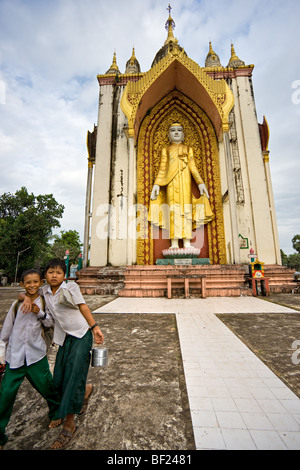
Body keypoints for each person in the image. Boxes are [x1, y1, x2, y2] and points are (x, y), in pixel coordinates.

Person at [20, 258, 104, 450]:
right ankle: (85, 391)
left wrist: (95, 328)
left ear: (64, 275)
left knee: (73, 375)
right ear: (45, 277)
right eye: (50, 272)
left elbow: (83, 306)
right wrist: (25, 298)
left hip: (81, 335)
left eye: (58, 272)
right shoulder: (43, 292)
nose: (55, 275)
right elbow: (25, 294)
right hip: (63, 337)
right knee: (59, 377)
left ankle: (69, 425)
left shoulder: (71, 287)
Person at [0, 269, 61, 450]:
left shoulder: (43, 301)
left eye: (36, 282)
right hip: (15, 358)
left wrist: (39, 312)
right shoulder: (16, 305)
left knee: (46, 386)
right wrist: (2, 356)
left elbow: (50, 323)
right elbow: (5, 334)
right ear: (22, 285)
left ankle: (56, 411)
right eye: (28, 283)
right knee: (5, 396)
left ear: (41, 282)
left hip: (36, 356)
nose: (32, 285)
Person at [149, 122, 214, 248]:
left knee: (186, 211)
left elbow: (193, 167)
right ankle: (174, 243)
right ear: (169, 135)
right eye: (173, 130)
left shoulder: (188, 149)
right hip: (171, 183)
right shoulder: (166, 150)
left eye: (179, 130)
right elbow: (162, 168)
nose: (176, 132)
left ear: (183, 134)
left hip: (185, 182)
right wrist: (156, 185)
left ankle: (187, 242)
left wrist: (200, 183)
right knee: (173, 211)